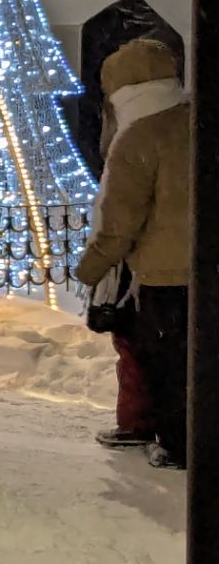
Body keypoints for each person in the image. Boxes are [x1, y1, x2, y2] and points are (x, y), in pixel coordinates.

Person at [74, 38, 189, 471]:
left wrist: (90, 269)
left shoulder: (139, 137)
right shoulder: (196, 124)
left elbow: (120, 220)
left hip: (162, 275)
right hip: (203, 272)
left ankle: (175, 444)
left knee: (164, 361)